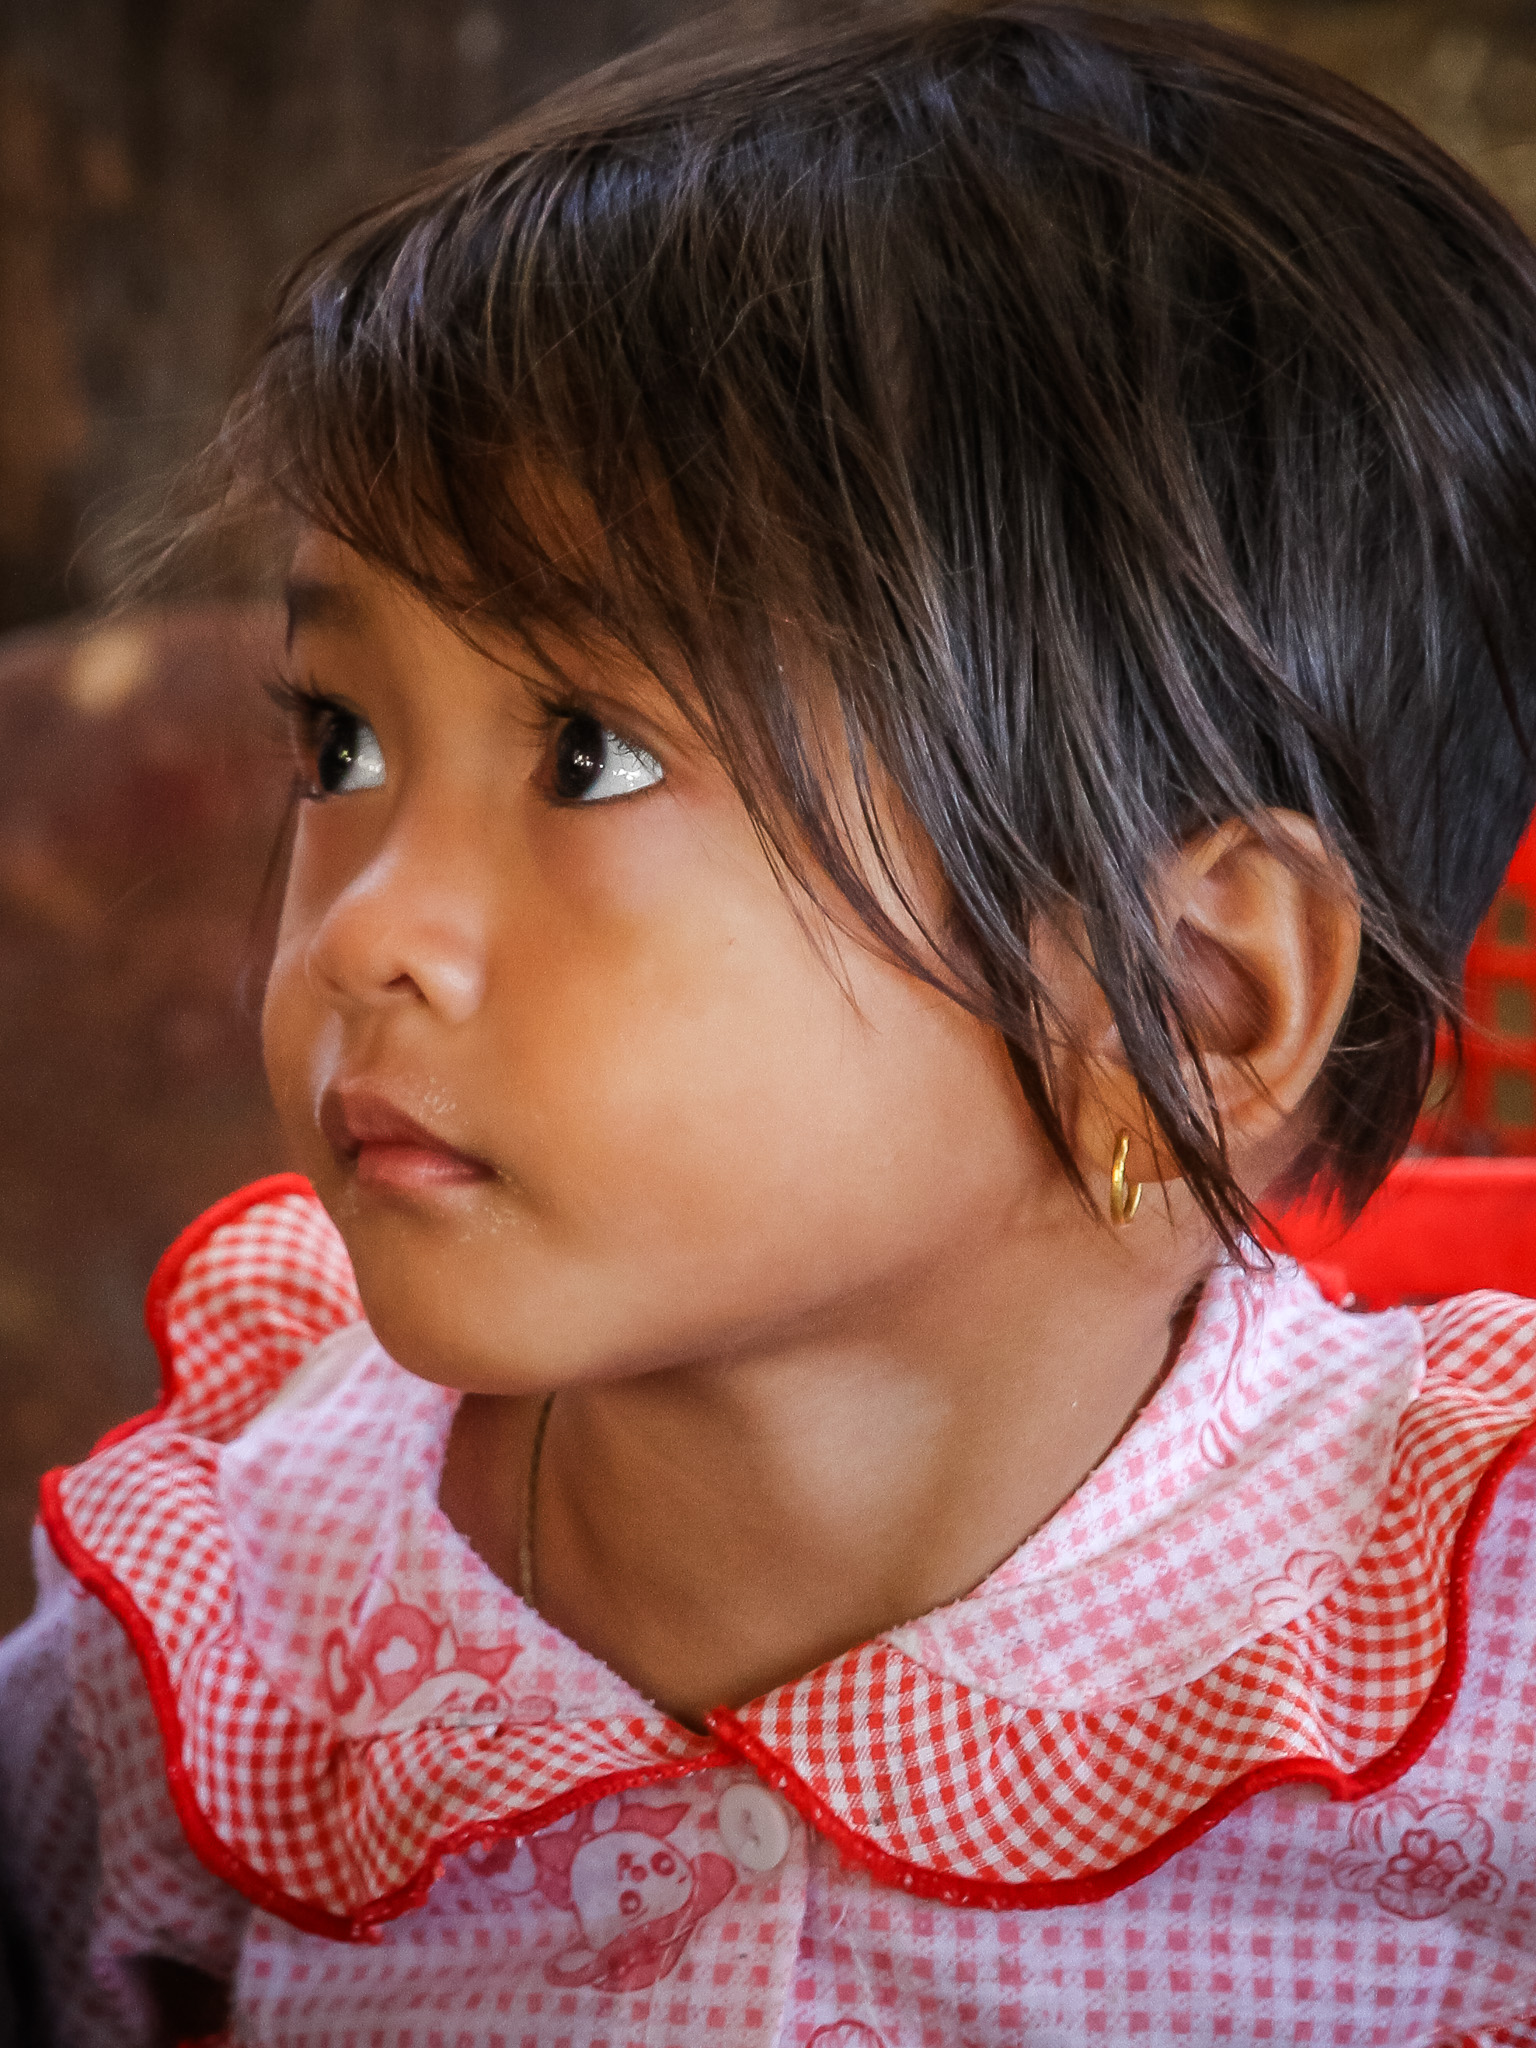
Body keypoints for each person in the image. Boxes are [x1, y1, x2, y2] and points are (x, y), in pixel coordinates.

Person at [4, 2, 1536, 2041]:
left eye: (593, 757)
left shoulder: (1480, 1677)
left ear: (1184, 998)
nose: (368, 932)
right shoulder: (223, 1616)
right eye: (343, 737)